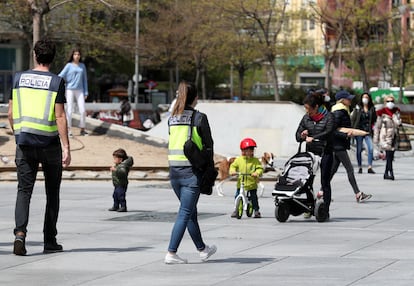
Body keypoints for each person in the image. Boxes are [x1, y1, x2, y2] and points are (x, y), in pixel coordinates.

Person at [8, 38, 71, 256]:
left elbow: (10, 113)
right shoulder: (57, 82)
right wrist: (67, 147)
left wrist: (18, 134)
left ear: (35, 55)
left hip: (24, 142)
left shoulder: (18, 78)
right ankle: (50, 239)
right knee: (52, 192)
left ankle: (19, 235)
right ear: (53, 58)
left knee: (24, 190)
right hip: (50, 144)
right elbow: (60, 116)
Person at [165, 80, 216, 264]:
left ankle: (202, 249)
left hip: (174, 173)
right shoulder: (199, 118)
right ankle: (171, 252)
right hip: (191, 173)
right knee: (185, 212)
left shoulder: (171, 118)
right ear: (195, 98)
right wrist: (210, 171)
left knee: (190, 211)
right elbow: (209, 146)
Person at [295, 91, 334, 219]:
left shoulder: (328, 116)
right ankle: (309, 207)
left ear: (316, 107)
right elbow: (297, 135)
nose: (307, 111)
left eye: (308, 109)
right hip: (311, 154)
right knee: (307, 181)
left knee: (325, 182)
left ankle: (325, 210)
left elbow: (329, 132)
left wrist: (314, 137)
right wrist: (302, 135)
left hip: (325, 152)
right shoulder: (306, 118)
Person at [330, 90, 372, 203]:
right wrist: (345, 135)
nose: (350, 100)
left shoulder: (343, 111)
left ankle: (321, 193)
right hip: (338, 145)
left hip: (339, 145)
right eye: (348, 98)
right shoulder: (339, 112)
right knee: (350, 169)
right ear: (342, 100)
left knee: (332, 170)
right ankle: (358, 194)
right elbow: (333, 130)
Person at [229, 138, 264, 218]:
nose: (251, 152)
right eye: (248, 150)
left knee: (253, 197)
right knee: (237, 195)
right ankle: (236, 209)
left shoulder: (255, 160)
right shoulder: (239, 160)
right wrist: (233, 171)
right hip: (241, 182)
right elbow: (233, 166)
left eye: (252, 150)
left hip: (251, 183)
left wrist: (257, 172)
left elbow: (259, 168)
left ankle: (256, 210)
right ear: (243, 151)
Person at [58, 47, 89, 136]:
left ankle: (82, 129)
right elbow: (61, 75)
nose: (77, 56)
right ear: (72, 55)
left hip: (80, 90)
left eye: (78, 54)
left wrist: (86, 92)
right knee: (69, 109)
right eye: (75, 54)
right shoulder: (69, 65)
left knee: (82, 110)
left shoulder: (82, 66)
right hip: (70, 89)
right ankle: (68, 129)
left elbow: (85, 80)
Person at [373, 95, 401, 180]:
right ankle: (391, 173)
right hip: (385, 137)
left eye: (392, 101)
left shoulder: (396, 112)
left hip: (394, 137)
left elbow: (399, 123)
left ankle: (386, 173)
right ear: (385, 102)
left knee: (391, 156)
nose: (390, 103)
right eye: (388, 101)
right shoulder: (381, 112)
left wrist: (395, 118)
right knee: (388, 155)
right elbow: (377, 127)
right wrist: (376, 139)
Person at [351, 92, 377, 174]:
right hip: (359, 131)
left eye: (367, 97)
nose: (365, 99)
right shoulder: (358, 108)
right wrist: (352, 130)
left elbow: (374, 119)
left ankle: (370, 167)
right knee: (359, 150)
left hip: (367, 131)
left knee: (370, 148)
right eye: (364, 97)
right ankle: (360, 167)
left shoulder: (372, 108)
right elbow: (353, 119)